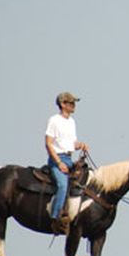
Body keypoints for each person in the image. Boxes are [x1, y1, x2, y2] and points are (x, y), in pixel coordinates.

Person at [45, 92, 89, 234]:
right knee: (63, 185)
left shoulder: (72, 122)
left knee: (84, 181)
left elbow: (71, 143)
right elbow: (48, 143)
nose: (73, 105)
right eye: (71, 103)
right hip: (57, 158)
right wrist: (58, 163)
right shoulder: (54, 120)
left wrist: (80, 145)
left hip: (69, 158)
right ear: (63, 104)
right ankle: (56, 218)